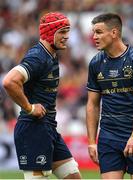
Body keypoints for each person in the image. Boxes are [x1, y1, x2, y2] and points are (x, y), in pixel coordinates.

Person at [3, 12, 81, 180]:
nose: (66, 36)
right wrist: (29, 108)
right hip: (33, 129)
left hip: (48, 128)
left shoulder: (50, 55)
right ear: (49, 33)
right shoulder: (38, 56)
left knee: (73, 177)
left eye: (67, 31)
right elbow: (9, 81)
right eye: (62, 32)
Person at [86, 13, 133, 179]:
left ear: (114, 33)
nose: (94, 37)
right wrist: (91, 141)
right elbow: (92, 105)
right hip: (108, 135)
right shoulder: (95, 63)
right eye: (93, 32)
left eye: (98, 32)